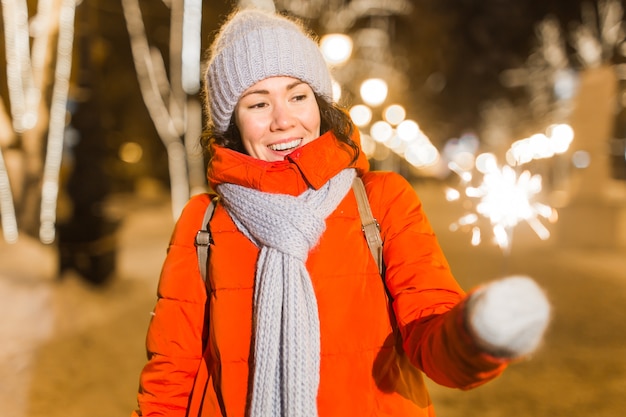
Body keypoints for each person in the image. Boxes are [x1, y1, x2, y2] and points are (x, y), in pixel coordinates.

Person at [131, 4, 551, 417]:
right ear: (231, 122)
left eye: (298, 96)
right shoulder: (203, 222)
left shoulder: (382, 200)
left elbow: (429, 329)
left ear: (320, 104)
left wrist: (476, 332)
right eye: (258, 104)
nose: (284, 120)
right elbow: (172, 375)